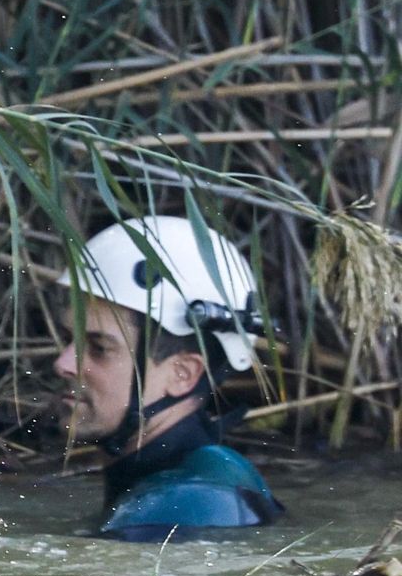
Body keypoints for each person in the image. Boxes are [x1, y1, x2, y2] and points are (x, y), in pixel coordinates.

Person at [52, 215, 284, 542]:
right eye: (69, 339)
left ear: (182, 374)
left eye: (99, 348)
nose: (63, 363)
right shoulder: (196, 483)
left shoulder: (185, 501)